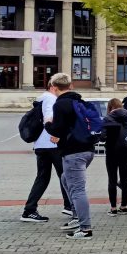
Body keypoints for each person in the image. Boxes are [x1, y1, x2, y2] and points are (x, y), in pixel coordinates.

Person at [46, 72, 96, 239]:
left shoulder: (60, 105)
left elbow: (57, 129)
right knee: (65, 179)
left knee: (77, 189)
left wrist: (48, 124)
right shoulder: (79, 100)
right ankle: (76, 217)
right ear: (70, 85)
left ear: (54, 88)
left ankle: (85, 228)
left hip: (74, 151)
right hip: (88, 148)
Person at [21, 78, 71, 222]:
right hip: (52, 144)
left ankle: (29, 210)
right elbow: (49, 117)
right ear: (53, 87)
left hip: (41, 145)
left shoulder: (42, 98)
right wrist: (56, 133)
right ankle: (69, 206)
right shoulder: (50, 99)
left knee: (43, 177)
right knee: (64, 175)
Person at [103, 97, 127, 216]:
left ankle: (113, 208)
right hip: (126, 150)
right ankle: (124, 206)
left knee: (112, 179)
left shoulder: (108, 118)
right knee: (125, 179)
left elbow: (102, 136)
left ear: (110, 107)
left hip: (112, 152)